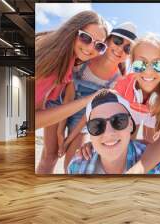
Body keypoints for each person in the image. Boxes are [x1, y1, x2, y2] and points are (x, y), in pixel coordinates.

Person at [78, 35, 160, 175]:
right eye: (140, 65)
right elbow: (98, 112)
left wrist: (137, 170)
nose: (149, 71)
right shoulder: (124, 84)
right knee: (126, 141)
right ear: (132, 64)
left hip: (154, 110)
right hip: (133, 107)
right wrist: (96, 142)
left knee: (150, 144)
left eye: (158, 64)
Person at [58, 22, 138, 172]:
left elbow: (87, 116)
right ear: (107, 40)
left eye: (127, 48)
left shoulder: (117, 81)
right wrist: (59, 133)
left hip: (84, 120)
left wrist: (68, 140)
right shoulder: (83, 60)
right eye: (118, 41)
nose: (120, 49)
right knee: (49, 155)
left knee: (71, 164)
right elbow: (68, 98)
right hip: (61, 109)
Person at [35, 10, 108, 174]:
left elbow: (68, 91)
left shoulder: (67, 59)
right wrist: (87, 100)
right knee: (51, 158)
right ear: (73, 31)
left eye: (99, 46)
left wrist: (62, 132)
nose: (90, 48)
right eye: (86, 38)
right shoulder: (52, 64)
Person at [68, 90, 160, 174]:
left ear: (131, 124)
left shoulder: (155, 167)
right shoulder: (76, 166)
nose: (108, 133)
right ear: (89, 132)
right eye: (97, 125)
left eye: (119, 121)